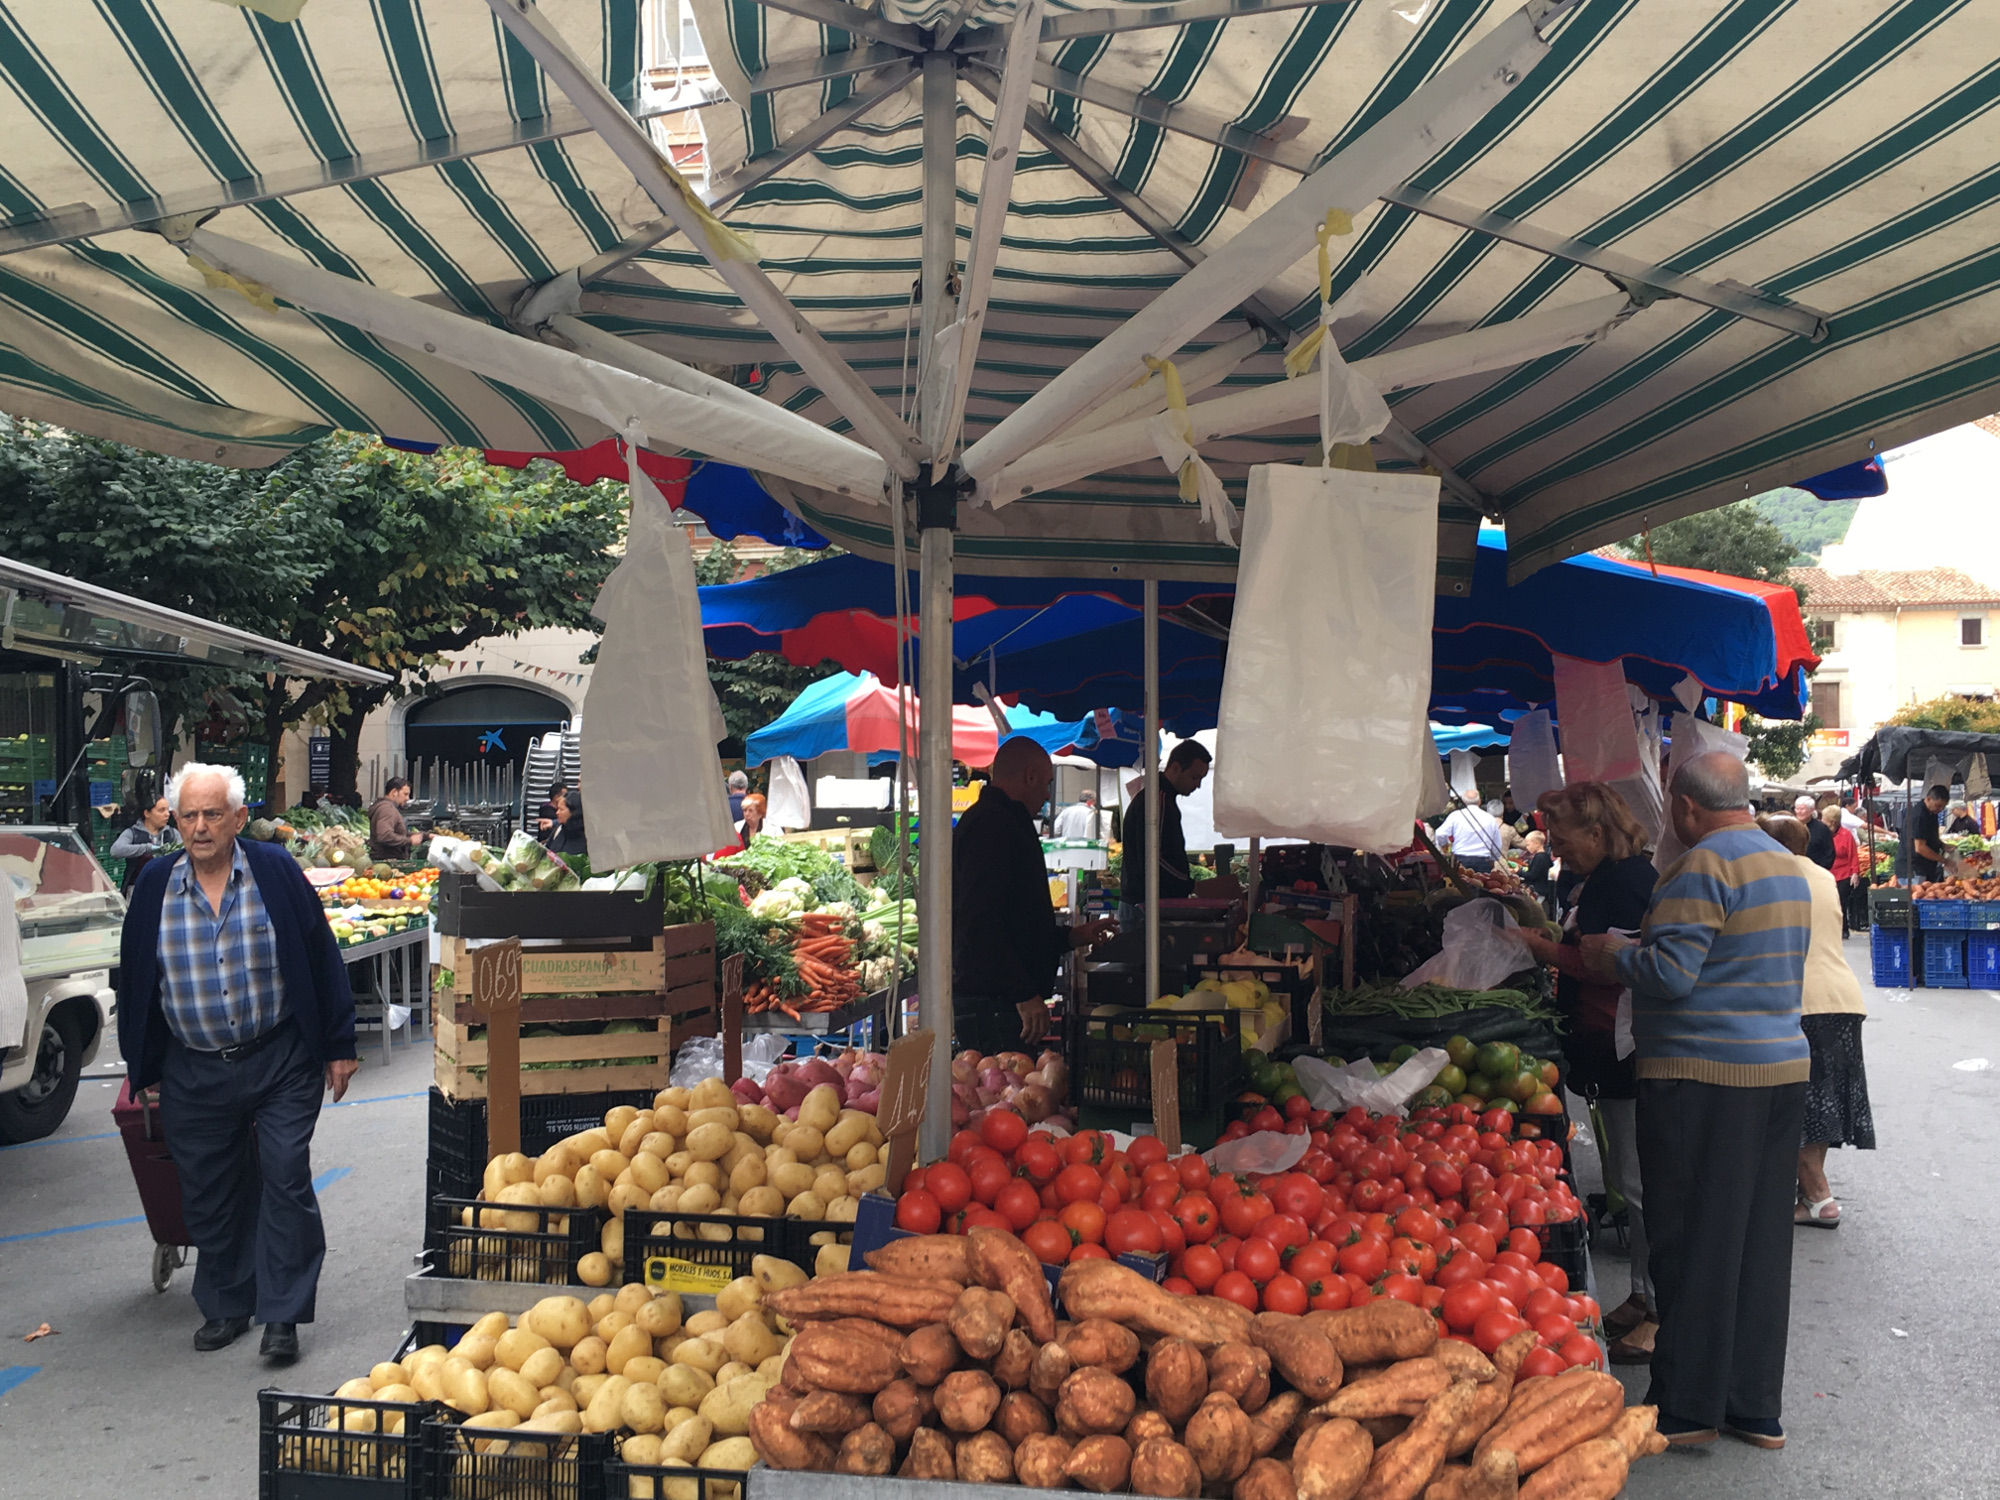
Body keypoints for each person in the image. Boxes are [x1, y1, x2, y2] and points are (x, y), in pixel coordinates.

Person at [1581, 751, 1810, 1450]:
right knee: (1758, 1243)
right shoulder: (1785, 866)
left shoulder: (1704, 865)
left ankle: (1685, 1407)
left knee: (1691, 1238)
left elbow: (1671, 974)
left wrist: (1608, 957)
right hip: (1778, 1072)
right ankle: (1752, 1406)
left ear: (1684, 808)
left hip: (1703, 1076)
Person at [116, 764, 358, 1363]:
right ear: (175, 821)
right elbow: (138, 981)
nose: (199, 827)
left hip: (279, 1055)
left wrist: (339, 1045)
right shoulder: (153, 887)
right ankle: (227, 1302)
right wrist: (141, 1067)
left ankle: (283, 1315)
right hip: (194, 1066)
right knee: (209, 1191)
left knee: (284, 1175)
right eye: (189, 816)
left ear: (239, 819)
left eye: (212, 814)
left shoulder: (274, 872)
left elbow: (319, 955)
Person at [1519, 783, 1659, 1363]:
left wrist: (1539, 946)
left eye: (1563, 837)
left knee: (1640, 1178)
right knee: (1627, 1173)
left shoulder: (1628, 883)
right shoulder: (1605, 879)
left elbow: (1610, 966)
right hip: (1605, 1043)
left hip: (1624, 1042)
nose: (1556, 848)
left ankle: (1657, 1307)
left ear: (1598, 834)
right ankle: (1643, 1294)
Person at [953, 739, 1116, 1053]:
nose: (1046, 794)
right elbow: (980, 922)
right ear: (1029, 776)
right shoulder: (992, 824)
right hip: (994, 1004)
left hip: (1001, 1001)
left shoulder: (1004, 820)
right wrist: (1022, 994)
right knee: (1003, 1095)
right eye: (1046, 783)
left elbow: (1018, 919)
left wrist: (1072, 936)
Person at [1755, 816, 1876, 1230]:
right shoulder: (1823, 876)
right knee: (1822, 1102)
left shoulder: (1774, 877)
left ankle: (1820, 1197)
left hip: (1802, 1000)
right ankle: (1810, 1194)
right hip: (1842, 996)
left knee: (1798, 1103)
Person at [1120, 741, 1235, 924]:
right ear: (1175, 768)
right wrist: (1190, 885)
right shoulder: (1157, 800)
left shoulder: (1160, 798)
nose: (1197, 785)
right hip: (1144, 905)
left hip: (1146, 902)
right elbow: (1153, 857)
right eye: (1194, 777)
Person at [110, 790, 179, 893]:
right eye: (161, 810)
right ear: (147, 813)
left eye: (167, 810)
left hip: (167, 889)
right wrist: (147, 848)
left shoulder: (172, 833)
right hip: (137, 889)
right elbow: (115, 851)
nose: (167, 814)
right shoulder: (133, 833)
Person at [1823, 803, 1863, 937]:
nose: (1822, 821)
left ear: (1832, 822)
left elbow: (1853, 855)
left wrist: (1854, 873)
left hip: (1843, 874)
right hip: (1827, 873)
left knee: (1840, 902)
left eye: (1825, 819)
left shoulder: (1846, 835)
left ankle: (1843, 928)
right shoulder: (1823, 834)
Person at [1435, 797, 1505, 871]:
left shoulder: (1455, 816)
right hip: (1482, 860)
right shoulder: (1490, 818)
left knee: (1459, 881)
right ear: (1479, 802)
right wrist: (1493, 859)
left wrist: (1444, 845)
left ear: (1464, 802)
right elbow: (1496, 843)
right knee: (1481, 881)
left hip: (1460, 859)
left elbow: (1440, 833)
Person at [367, 776, 424, 862]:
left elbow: (397, 832)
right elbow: (385, 836)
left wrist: (426, 836)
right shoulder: (387, 809)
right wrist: (410, 840)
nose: (407, 798)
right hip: (388, 863)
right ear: (394, 792)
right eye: (405, 794)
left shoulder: (387, 808)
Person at [1902, 784, 1949, 883]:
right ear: (1928, 799)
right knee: (1918, 894)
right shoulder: (1919, 815)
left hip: (1925, 867)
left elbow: (1930, 836)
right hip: (1915, 869)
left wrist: (1942, 846)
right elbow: (1920, 848)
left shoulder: (1931, 813)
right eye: (1938, 805)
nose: (1940, 809)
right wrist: (1943, 860)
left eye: (1943, 807)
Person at [1796, 795, 1835, 870]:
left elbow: (1829, 853)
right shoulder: (1791, 826)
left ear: (1812, 810)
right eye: (1797, 809)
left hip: (1816, 870)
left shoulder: (1822, 829)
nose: (1799, 812)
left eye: (1802, 809)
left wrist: (1820, 869)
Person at [1520, 829, 1554, 911]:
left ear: (1537, 844)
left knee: (1536, 910)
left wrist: (1519, 872)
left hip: (1539, 891)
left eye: (1528, 845)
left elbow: (1533, 875)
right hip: (1542, 890)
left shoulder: (1540, 857)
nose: (1527, 847)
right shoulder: (1544, 856)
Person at [547, 792, 587, 859]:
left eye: (561, 809)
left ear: (573, 813)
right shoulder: (559, 829)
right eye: (557, 809)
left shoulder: (587, 837)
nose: (557, 813)